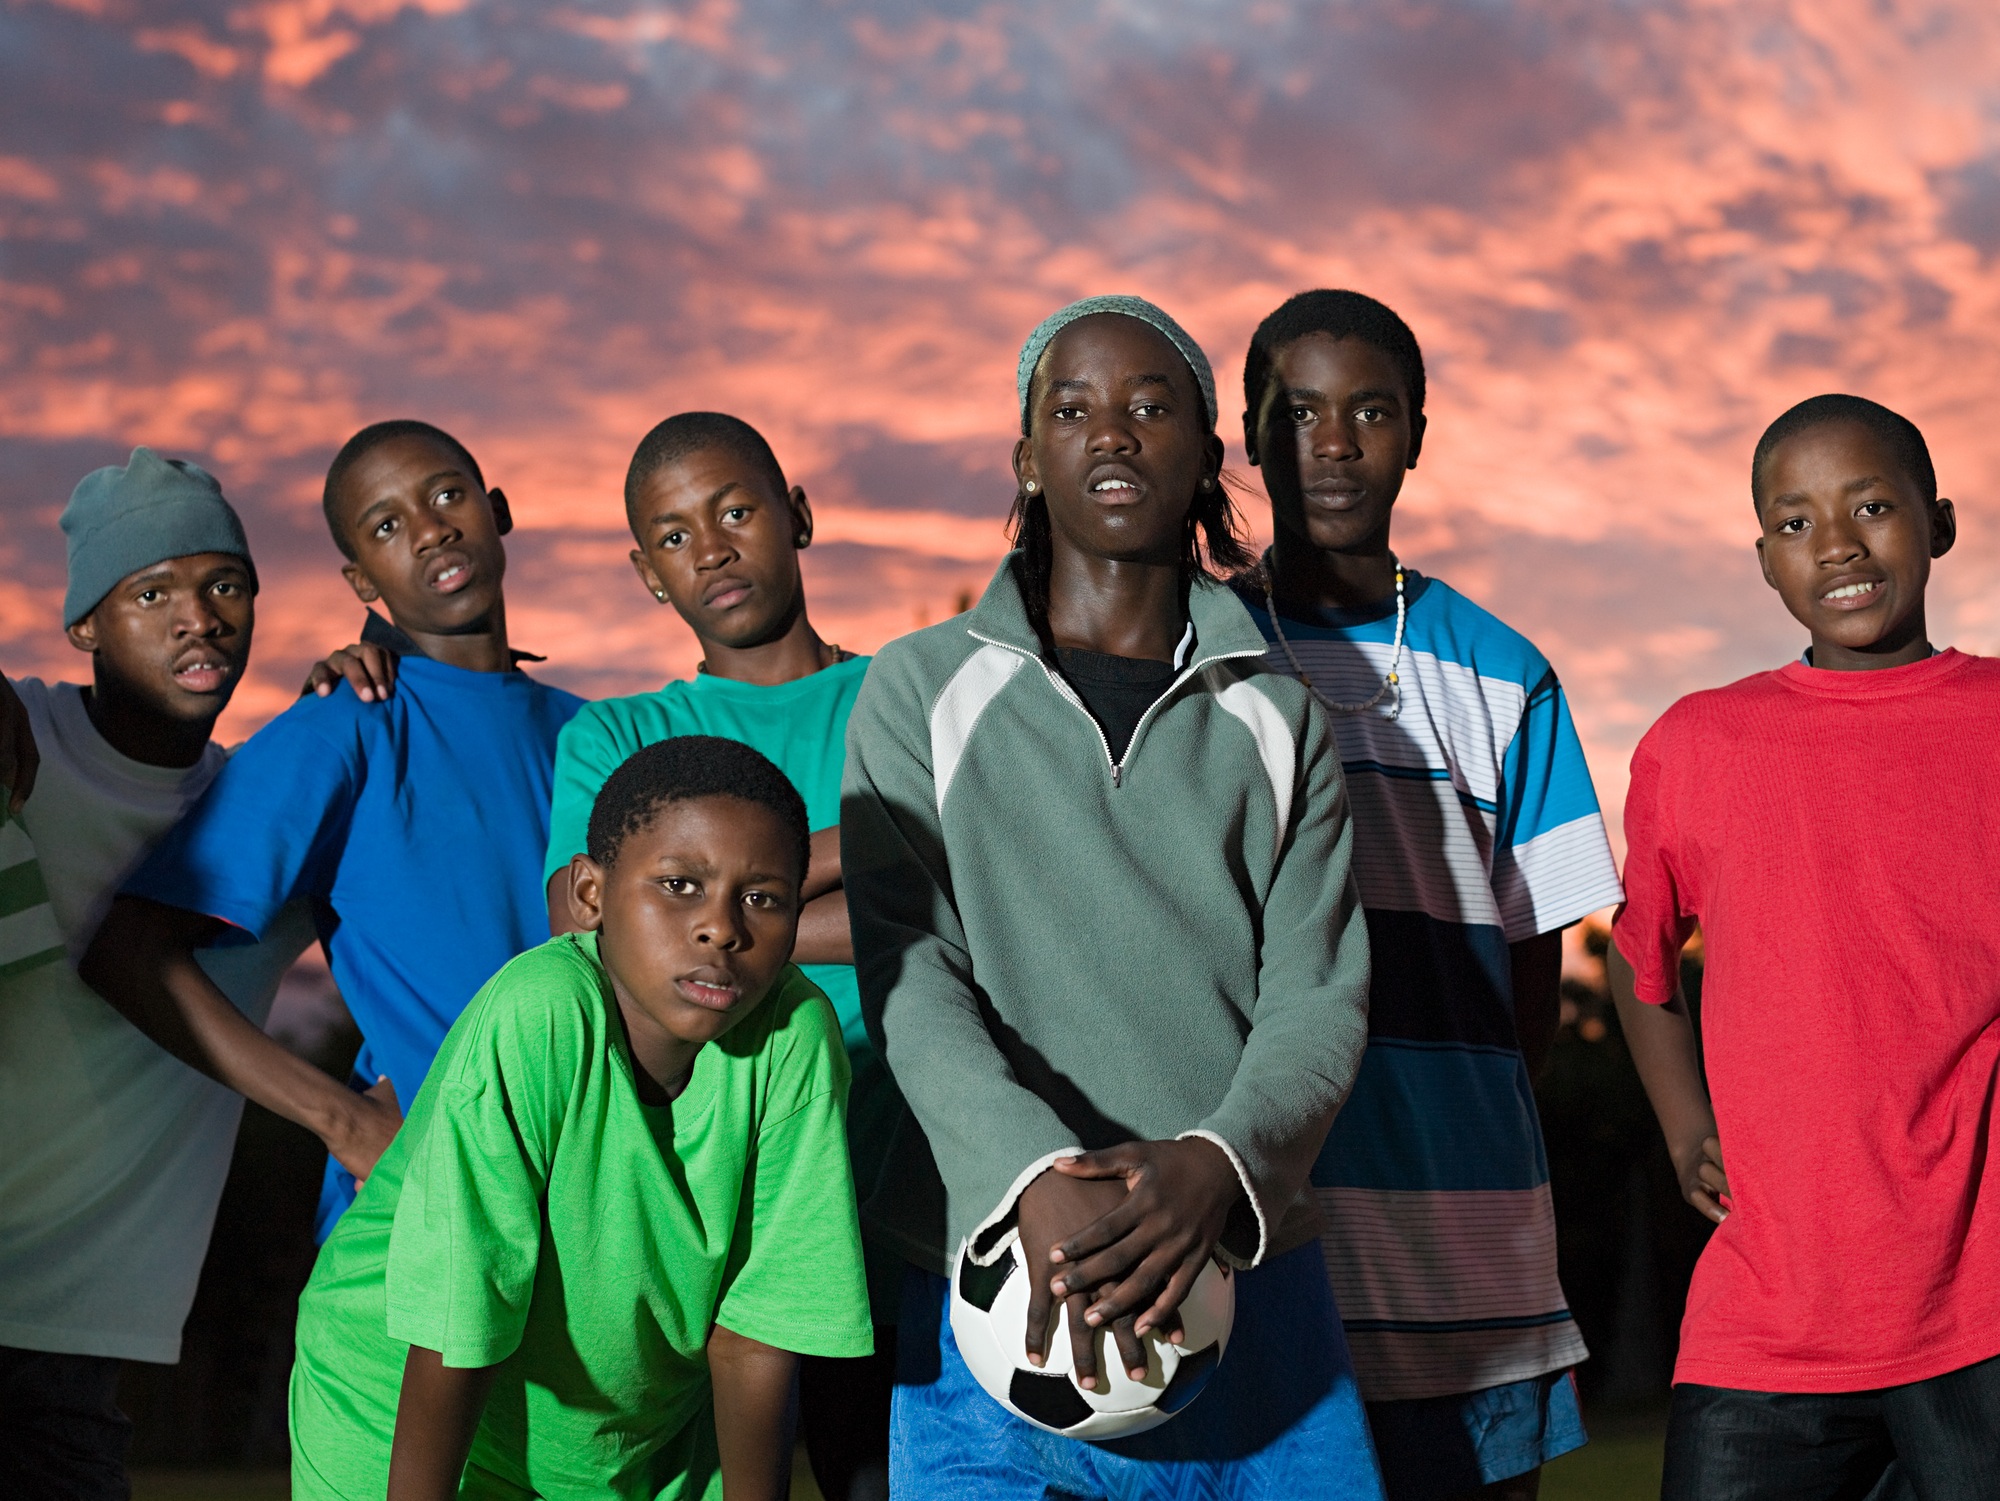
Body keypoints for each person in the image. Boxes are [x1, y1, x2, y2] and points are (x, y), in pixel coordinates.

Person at [844, 294, 1383, 1499]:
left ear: (1205, 455)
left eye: (1150, 407)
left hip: (1245, 1268)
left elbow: (1316, 995)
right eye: (1072, 408)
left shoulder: (1280, 713)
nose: (1112, 434)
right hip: (988, 1271)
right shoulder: (916, 688)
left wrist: (1215, 1166)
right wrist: (1027, 1175)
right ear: (1028, 459)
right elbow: (909, 971)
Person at [1234, 291, 1624, 1501]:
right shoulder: (1203, 651)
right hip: (1261, 1211)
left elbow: (1530, 974)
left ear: (1415, 433)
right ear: (1245, 435)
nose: (1334, 440)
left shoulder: (1507, 673)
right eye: (1297, 411)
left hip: (1467, 1222)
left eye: (1369, 410)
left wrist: (1454, 1106)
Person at [287, 735, 873, 1501]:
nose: (722, 928)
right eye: (679, 885)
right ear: (591, 895)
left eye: (762, 898)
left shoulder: (797, 1036)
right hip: (396, 1405)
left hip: (624, 1443)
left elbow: (754, 1331)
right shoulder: (540, 1011)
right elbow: (464, 1305)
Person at [1609, 394, 2000, 1501]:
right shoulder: (1697, 743)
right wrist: (1687, 1125)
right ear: (1763, 561)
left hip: (1978, 1305)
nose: (1835, 543)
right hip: (1765, 1319)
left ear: (1939, 522)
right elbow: (1639, 966)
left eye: (1871, 505)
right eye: (1794, 522)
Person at [82, 420, 583, 1235]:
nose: (430, 529)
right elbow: (128, 949)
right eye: (387, 525)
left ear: (497, 510)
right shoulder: (345, 721)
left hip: (591, 1210)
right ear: (361, 579)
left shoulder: (592, 736)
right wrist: (347, 1125)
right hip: (421, 1215)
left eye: (448, 495)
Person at [537, 412, 899, 1501]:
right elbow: (582, 924)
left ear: (796, 516)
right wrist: (860, 855)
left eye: (737, 511)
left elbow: (974, 903)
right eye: (677, 535)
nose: (716, 548)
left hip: (896, 1178)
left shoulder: (904, 694)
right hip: (690, 1209)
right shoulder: (615, 737)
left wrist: (702, 908)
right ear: (649, 574)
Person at [0, 449, 313, 1499]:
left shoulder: (269, 815)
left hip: (72, 1351)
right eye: (152, 591)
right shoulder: (19, 740)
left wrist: (375, 695)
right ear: (85, 623)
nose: (200, 617)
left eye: (225, 584)